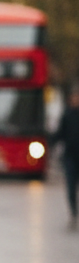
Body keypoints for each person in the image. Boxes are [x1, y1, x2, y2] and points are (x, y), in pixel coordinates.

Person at [52, 89, 79, 227]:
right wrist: (49, 142)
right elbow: (60, 133)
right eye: (74, 98)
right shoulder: (67, 116)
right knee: (70, 187)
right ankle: (73, 212)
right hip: (70, 157)